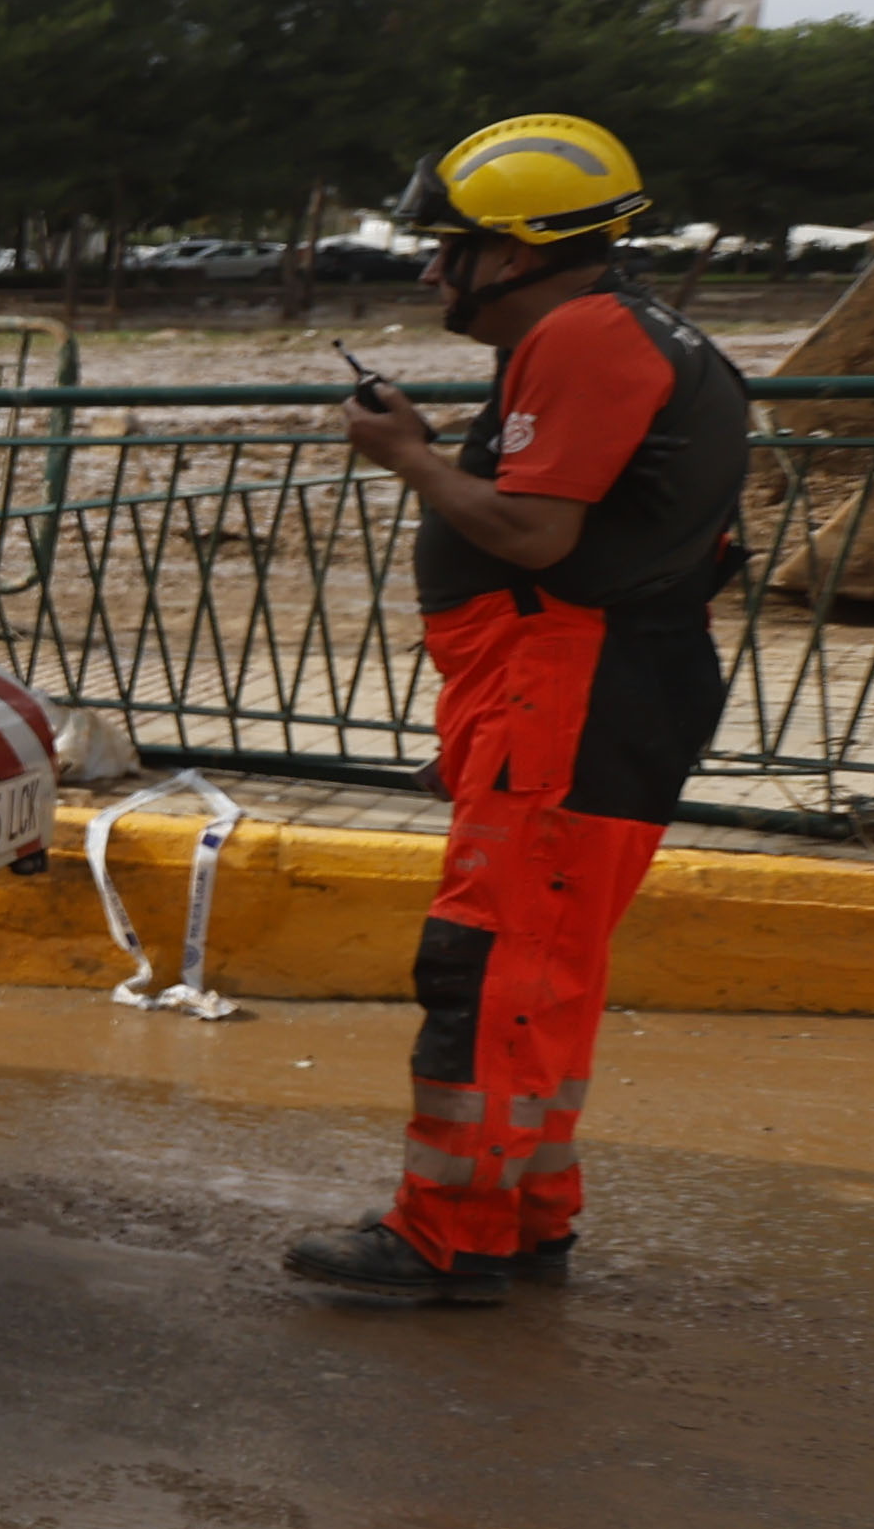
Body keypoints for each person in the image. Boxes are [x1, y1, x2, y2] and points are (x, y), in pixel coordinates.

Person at [284, 114, 752, 1306]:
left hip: (572, 687)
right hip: (593, 684)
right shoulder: (637, 334)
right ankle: (526, 1207)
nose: (435, 271)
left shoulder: (586, 338)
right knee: (542, 966)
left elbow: (540, 533)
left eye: (453, 248)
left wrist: (408, 460)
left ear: (522, 251)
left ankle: (447, 1232)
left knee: (488, 963)